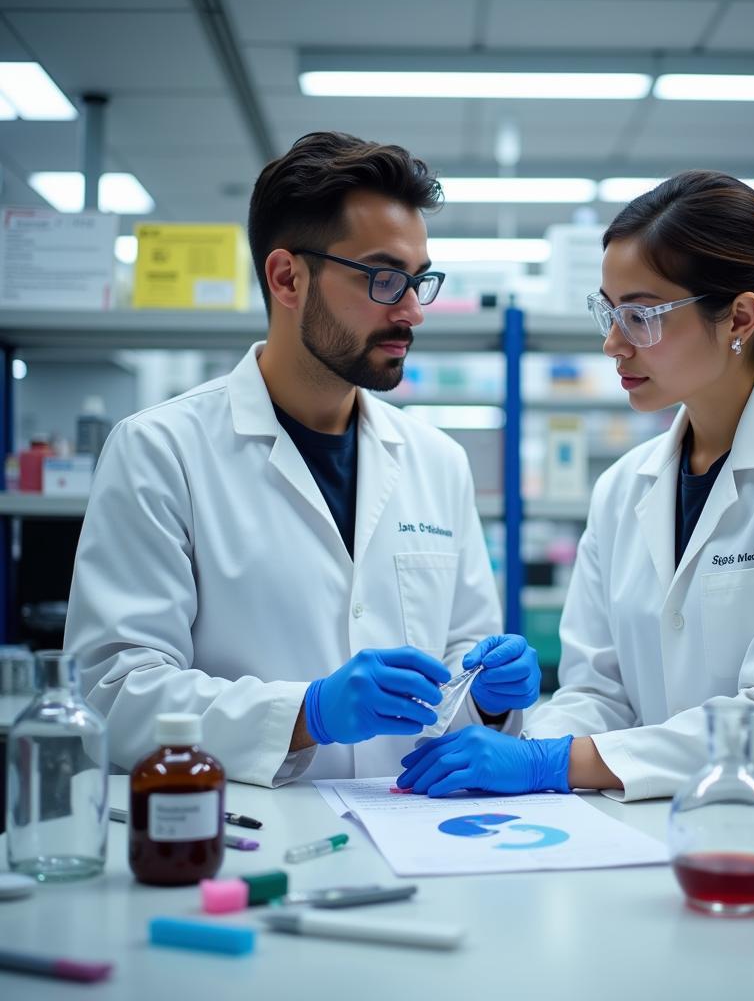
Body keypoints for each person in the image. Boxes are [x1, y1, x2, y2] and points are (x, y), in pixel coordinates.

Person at [398, 170, 754, 801]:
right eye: (609, 311)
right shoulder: (624, 486)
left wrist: (553, 763)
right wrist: (527, 750)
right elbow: (598, 691)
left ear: (739, 317)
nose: (613, 344)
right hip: (669, 827)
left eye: (641, 315)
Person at [65, 132, 539, 786]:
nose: (411, 311)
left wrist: (488, 696)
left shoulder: (439, 461)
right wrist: (304, 713)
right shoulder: (160, 451)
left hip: (416, 836)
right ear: (288, 277)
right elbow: (113, 692)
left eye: (419, 279)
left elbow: (461, 661)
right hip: (242, 841)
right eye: (383, 278)